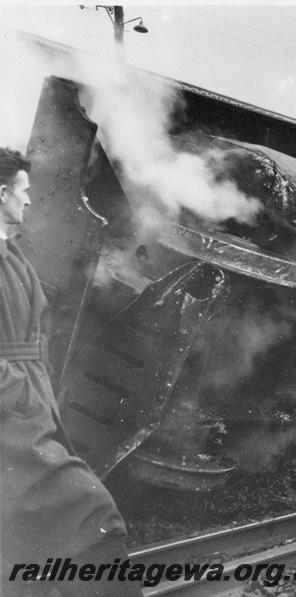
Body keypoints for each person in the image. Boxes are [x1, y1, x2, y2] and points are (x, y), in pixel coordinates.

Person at [0, 148, 141, 596]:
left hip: (27, 412)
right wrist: (20, 395)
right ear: (1, 193)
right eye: (23, 192)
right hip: (10, 424)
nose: (29, 202)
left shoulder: (11, 254)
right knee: (91, 513)